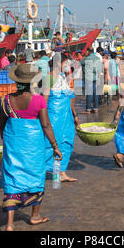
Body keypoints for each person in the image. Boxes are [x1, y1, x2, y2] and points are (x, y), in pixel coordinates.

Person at [0, 63, 62, 231]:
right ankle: (35, 216)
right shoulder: (39, 100)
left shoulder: (6, 100)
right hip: (33, 146)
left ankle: (10, 223)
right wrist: (55, 146)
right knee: (36, 177)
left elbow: (1, 125)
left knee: (13, 178)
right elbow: (46, 125)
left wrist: (8, 141)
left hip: (13, 144)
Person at [43, 53, 80, 182]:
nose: (68, 65)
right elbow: (44, 100)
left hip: (66, 117)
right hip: (54, 116)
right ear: (59, 63)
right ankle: (42, 171)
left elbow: (70, 98)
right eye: (66, 63)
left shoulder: (63, 77)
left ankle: (61, 173)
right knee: (51, 143)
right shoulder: (49, 78)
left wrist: (75, 115)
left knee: (66, 143)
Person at [80, 47, 102, 114]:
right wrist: (99, 79)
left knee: (89, 93)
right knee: (95, 93)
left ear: (88, 51)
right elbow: (99, 70)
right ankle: (95, 108)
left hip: (88, 78)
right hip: (95, 78)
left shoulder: (87, 58)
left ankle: (88, 109)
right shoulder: (97, 58)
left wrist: (84, 56)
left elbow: (80, 63)